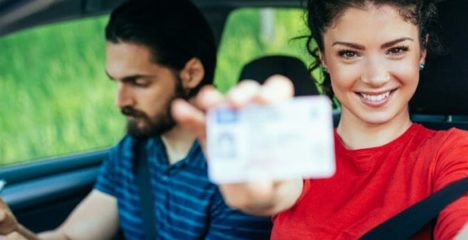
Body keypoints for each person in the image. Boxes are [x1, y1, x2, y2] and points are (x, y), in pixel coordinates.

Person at [171, 0, 468, 239]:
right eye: (349, 53)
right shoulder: (300, 146)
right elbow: (277, 189)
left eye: (396, 50)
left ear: (422, 52)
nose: (375, 77)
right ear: (323, 59)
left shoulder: (451, 151)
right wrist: (255, 188)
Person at [0, 0, 272, 239]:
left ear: (191, 74)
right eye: (116, 82)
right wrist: (15, 232)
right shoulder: (132, 152)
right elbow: (71, 236)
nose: (121, 101)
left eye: (139, 83)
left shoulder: (236, 175)